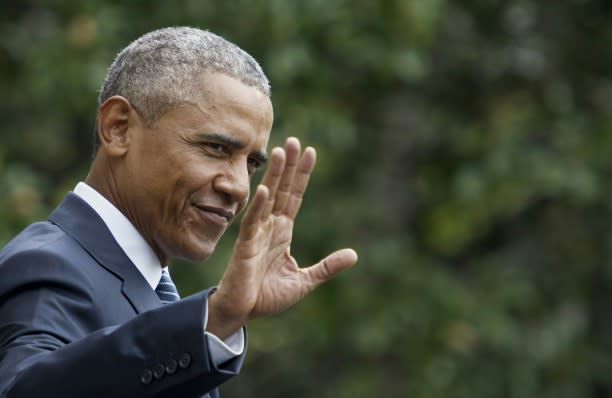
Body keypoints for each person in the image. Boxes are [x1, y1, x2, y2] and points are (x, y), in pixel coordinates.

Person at [0, 27, 358, 397]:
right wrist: (213, 319)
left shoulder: (162, 299)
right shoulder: (49, 264)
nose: (238, 186)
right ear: (118, 128)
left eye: (251, 163)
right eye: (216, 148)